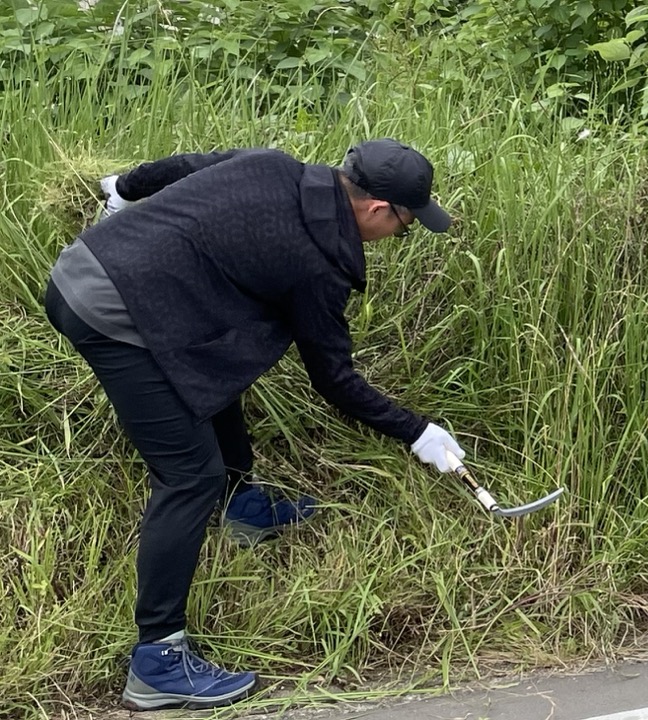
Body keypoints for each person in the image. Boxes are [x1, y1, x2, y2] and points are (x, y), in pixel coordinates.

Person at [42, 139, 467, 711]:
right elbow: (333, 378)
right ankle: (157, 662)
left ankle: (243, 509)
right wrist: (416, 431)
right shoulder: (319, 265)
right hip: (111, 313)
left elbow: (187, 165)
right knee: (190, 477)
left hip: (94, 262)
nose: (398, 237)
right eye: (406, 225)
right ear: (376, 210)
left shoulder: (274, 166)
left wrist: (123, 188)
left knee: (217, 369)